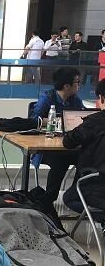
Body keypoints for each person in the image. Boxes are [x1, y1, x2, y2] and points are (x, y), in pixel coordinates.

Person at [31, 66, 84, 201]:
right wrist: (56, 121)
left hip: (68, 145)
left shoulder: (75, 100)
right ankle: (49, 199)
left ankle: (76, 194)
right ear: (66, 86)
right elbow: (34, 120)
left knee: (87, 157)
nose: (79, 85)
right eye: (77, 82)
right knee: (60, 161)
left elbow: (83, 118)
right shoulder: (47, 98)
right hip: (46, 148)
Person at [63, 79, 105, 213]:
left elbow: (68, 142)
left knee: (69, 198)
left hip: (98, 187)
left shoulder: (95, 121)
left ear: (102, 98)